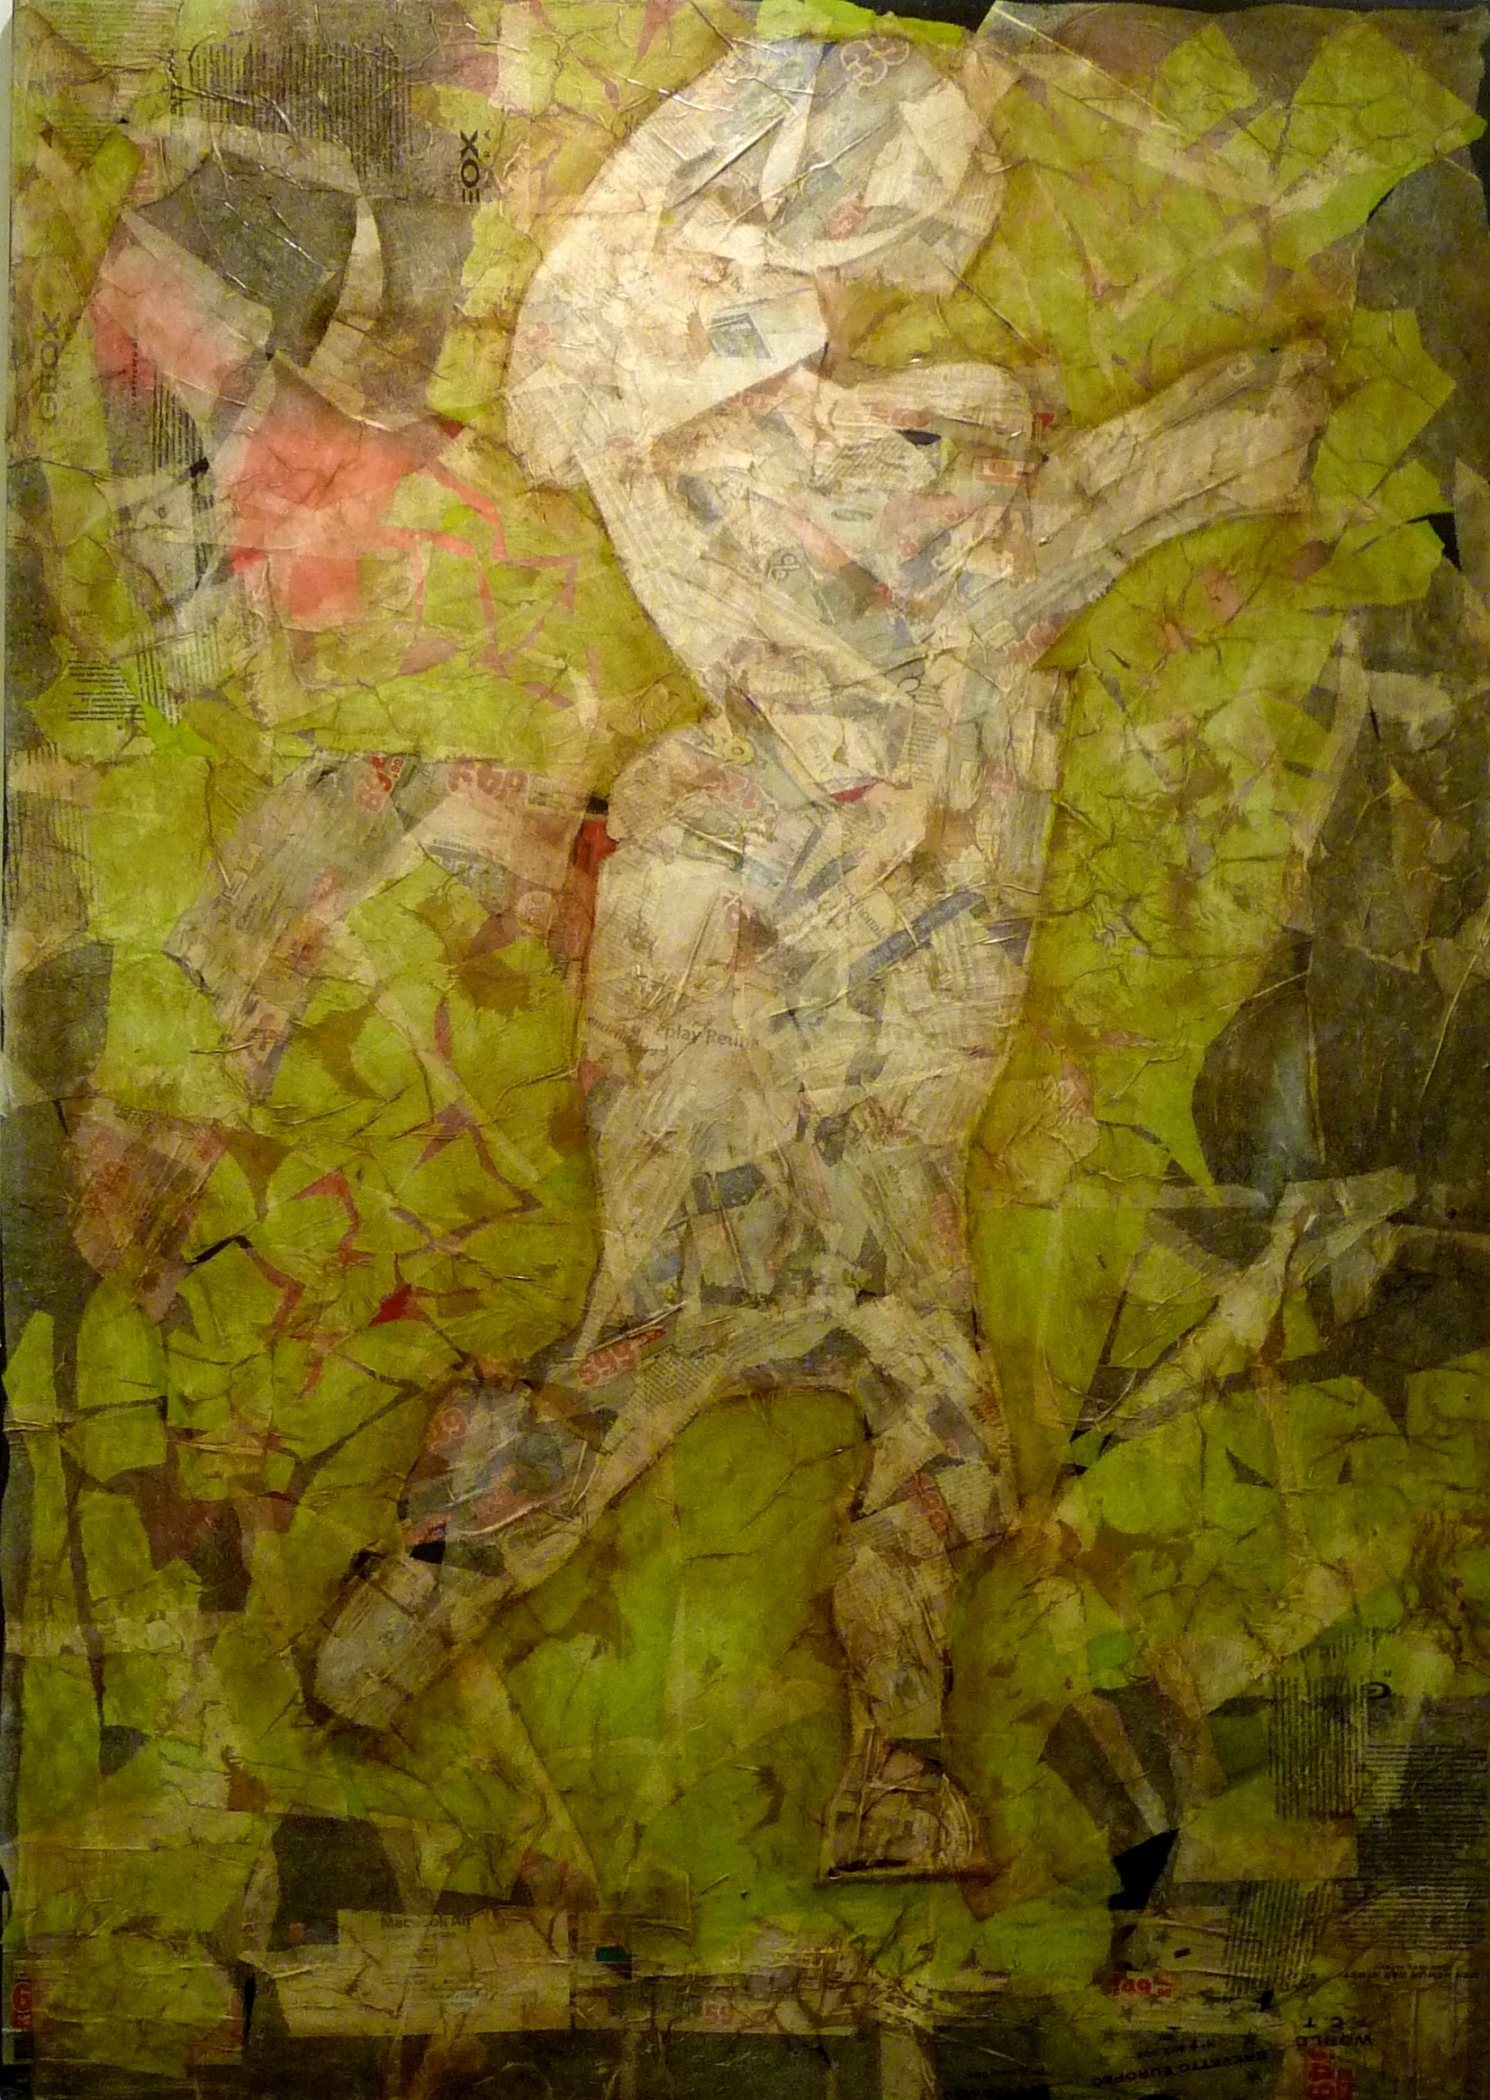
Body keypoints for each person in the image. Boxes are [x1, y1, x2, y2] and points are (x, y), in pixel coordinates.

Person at [315, 30, 1328, 1877]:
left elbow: (974, 592)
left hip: (825, 919)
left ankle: (830, 1746)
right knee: (753, 1341)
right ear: (817, 203)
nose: (910, 268)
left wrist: (1175, 459)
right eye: (902, 223)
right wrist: (1195, 453)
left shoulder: (710, 407)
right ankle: (535, 1642)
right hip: (791, 936)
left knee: (839, 1357)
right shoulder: (727, 430)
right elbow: (972, 592)